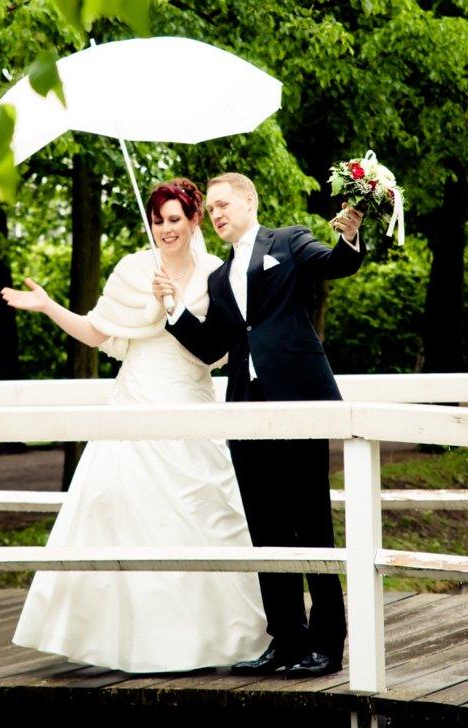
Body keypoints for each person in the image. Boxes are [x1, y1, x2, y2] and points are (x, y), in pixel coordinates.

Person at [4, 178, 270, 673]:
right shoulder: (132, 269)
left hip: (191, 405)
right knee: (119, 514)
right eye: (157, 220)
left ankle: (212, 641)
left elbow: (226, 348)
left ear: (194, 220)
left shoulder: (218, 272)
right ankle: (127, 644)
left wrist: (175, 307)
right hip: (134, 404)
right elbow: (95, 330)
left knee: (205, 519)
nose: (165, 229)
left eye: (175, 219)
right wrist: (48, 307)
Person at [154, 172, 365, 678]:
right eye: (215, 207)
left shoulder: (288, 242)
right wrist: (173, 306)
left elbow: (335, 262)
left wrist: (351, 234)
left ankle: (328, 644)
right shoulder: (217, 279)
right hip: (245, 411)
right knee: (266, 529)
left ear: (250, 201)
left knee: (311, 526)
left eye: (227, 203)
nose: (219, 213)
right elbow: (211, 348)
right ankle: (287, 639)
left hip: (299, 402)